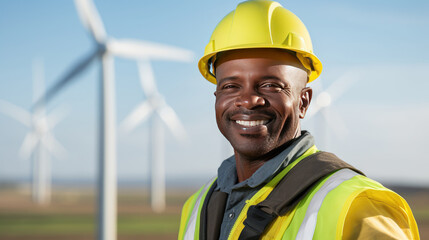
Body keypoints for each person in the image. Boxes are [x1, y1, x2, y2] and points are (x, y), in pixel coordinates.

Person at [178, 1, 420, 239]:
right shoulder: (196, 207)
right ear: (217, 97)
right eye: (231, 86)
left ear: (303, 101)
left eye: (270, 85)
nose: (249, 100)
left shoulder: (359, 208)